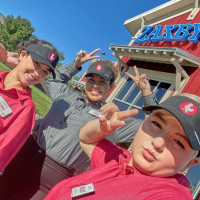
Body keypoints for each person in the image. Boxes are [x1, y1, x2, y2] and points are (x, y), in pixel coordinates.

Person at [0, 47, 156, 200]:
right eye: (91, 80)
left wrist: (147, 94)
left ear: (111, 87)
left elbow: (153, 128)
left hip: (48, 181)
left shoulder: (112, 119)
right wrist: (76, 64)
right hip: (20, 155)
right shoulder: (67, 96)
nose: (95, 85)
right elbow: (56, 78)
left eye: (102, 82)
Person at [44, 93, 200, 200]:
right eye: (157, 124)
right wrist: (101, 128)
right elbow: (86, 139)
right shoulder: (120, 160)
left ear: (191, 163)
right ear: (143, 122)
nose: (158, 143)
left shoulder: (167, 193)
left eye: (179, 142)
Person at [0, 39, 59, 175]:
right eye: (37, 64)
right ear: (22, 55)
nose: (38, 74)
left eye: (45, 72)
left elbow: (4, 151)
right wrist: (5, 54)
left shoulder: (25, 108)